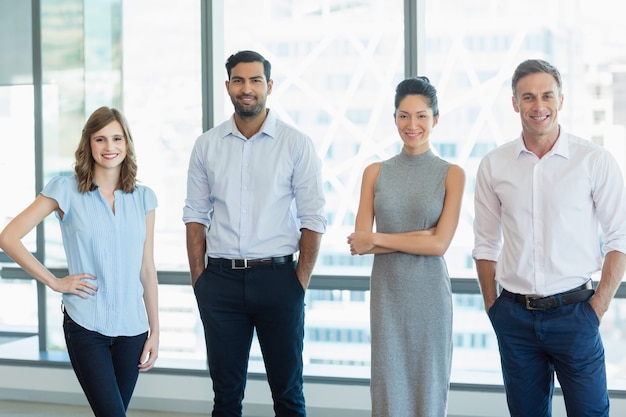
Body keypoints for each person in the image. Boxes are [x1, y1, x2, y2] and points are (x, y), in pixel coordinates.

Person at [473, 59, 626, 417]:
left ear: (561, 99)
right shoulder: (494, 164)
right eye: (528, 97)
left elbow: (619, 238)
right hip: (514, 316)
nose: (538, 106)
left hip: (576, 315)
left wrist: (597, 307)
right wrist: (493, 307)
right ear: (514, 103)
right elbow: (485, 243)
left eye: (546, 95)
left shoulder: (594, 161)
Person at [183, 50, 326, 417]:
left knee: (289, 394)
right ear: (228, 86)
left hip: (279, 280)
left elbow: (313, 218)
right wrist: (199, 279)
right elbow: (196, 215)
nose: (247, 89)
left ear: (269, 86)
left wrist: (299, 282)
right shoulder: (207, 145)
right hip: (220, 282)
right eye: (239, 80)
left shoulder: (296, 144)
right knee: (226, 397)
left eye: (255, 81)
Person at [0, 106, 159, 416]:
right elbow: (8, 237)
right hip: (86, 325)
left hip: (133, 329)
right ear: (88, 144)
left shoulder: (144, 198)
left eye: (117, 138)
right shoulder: (65, 189)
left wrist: (155, 330)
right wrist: (55, 281)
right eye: (100, 139)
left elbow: (147, 268)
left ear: (127, 143)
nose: (109, 147)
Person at [347, 76, 465, 417]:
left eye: (422, 116)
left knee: (428, 393)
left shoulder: (452, 174)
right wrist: (421, 237)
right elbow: (359, 243)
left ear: (436, 119)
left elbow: (441, 243)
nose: (412, 125)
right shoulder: (375, 172)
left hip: (430, 299)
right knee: (387, 395)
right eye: (403, 115)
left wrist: (380, 238)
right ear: (395, 118)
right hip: (388, 298)